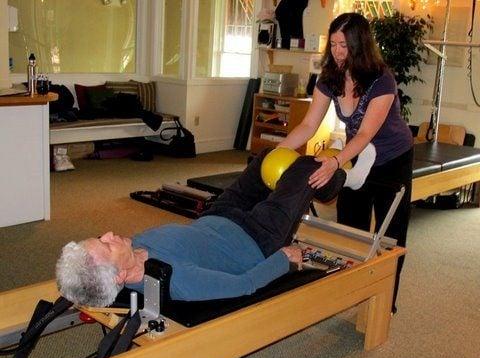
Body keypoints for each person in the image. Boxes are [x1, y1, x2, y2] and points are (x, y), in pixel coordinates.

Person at [56, 148, 373, 308]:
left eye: (101, 237)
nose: (110, 235)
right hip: (258, 237)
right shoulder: (178, 280)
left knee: (263, 158)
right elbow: (244, 285)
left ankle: (324, 180)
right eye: (107, 245)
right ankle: (348, 180)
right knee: (310, 168)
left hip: (218, 216)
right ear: (121, 277)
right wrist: (284, 258)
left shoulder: (132, 249)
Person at [278, 13, 413, 313]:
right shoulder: (330, 76)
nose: (338, 52)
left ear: (360, 45)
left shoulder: (382, 79)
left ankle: (384, 304)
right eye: (334, 44)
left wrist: (335, 162)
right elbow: (309, 125)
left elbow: (366, 133)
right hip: (357, 158)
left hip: (393, 159)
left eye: (344, 45)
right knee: (351, 231)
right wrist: (276, 152)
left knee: (391, 237)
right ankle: (354, 294)